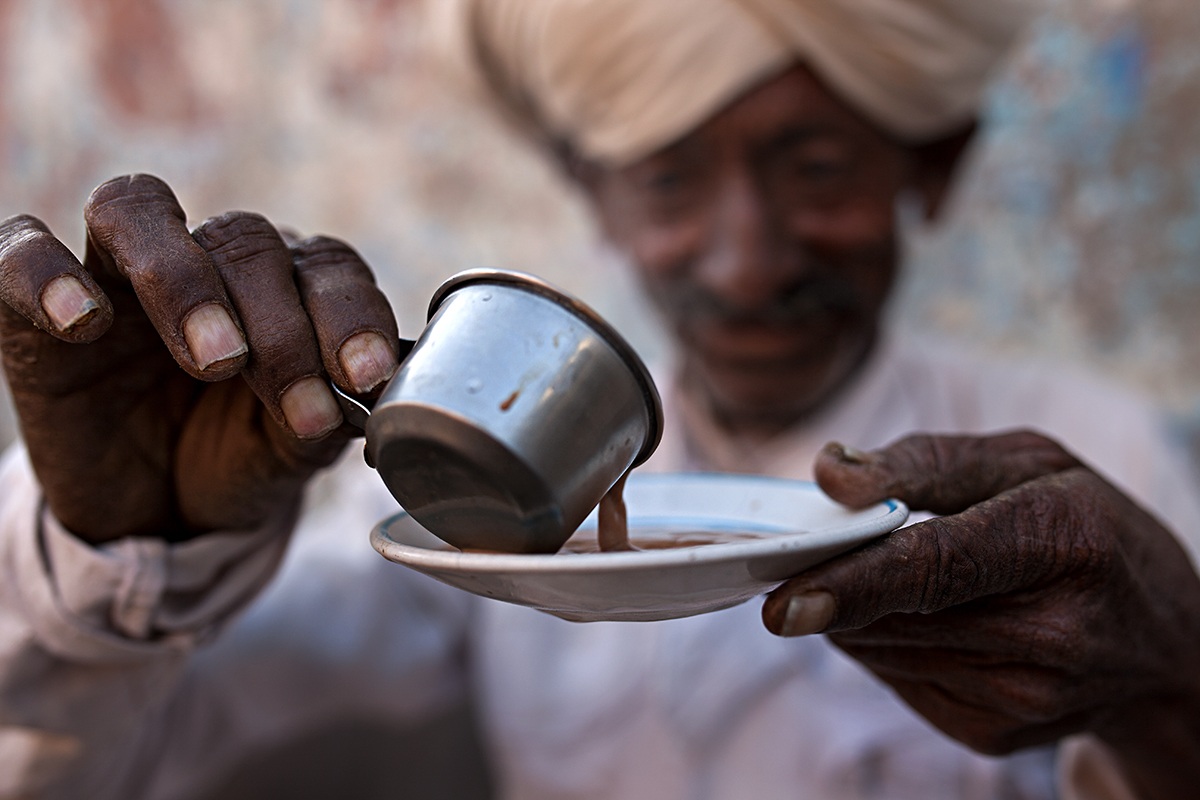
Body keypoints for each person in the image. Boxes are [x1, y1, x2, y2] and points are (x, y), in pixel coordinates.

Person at [0, 1, 1197, 799]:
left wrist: (1172, 697)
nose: (744, 261)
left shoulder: (1089, 461)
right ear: (594, 194)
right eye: (668, 178)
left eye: (819, 168)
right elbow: (109, 754)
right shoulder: (500, 503)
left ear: (928, 167)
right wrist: (122, 544)